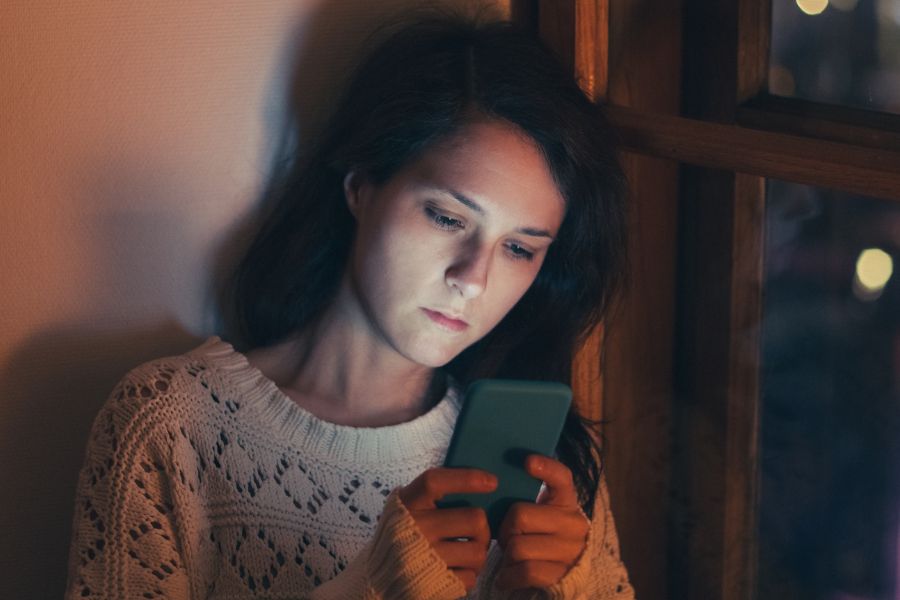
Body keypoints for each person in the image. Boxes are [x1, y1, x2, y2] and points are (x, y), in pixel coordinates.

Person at [65, 12, 634, 600]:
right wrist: (373, 585)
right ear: (362, 184)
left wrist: (578, 587)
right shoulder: (171, 425)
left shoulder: (548, 463)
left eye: (518, 248)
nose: (473, 279)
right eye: (446, 217)